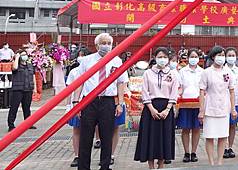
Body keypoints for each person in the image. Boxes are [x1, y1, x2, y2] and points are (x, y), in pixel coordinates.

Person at [73, 33, 128, 170]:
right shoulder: (87, 60)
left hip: (108, 102)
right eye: (103, 43)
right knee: (86, 136)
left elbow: (121, 83)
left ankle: (105, 166)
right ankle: (83, 167)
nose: (106, 46)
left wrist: (119, 103)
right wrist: (76, 103)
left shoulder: (116, 61)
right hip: (89, 101)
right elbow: (79, 82)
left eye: (109, 43)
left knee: (107, 136)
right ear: (97, 45)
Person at [134, 47, 179, 169]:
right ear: (154, 58)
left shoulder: (173, 74)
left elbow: (174, 92)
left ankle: (161, 164)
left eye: (164, 57)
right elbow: (144, 91)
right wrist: (151, 109)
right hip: (150, 108)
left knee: (164, 137)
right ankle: (151, 166)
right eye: (159, 57)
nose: (162, 60)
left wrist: (167, 109)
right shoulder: (148, 73)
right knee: (150, 136)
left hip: (166, 108)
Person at [198, 46, 237, 166]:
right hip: (210, 108)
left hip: (224, 108)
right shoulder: (206, 72)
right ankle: (211, 163)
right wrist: (201, 110)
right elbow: (202, 91)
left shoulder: (228, 72)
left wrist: (233, 109)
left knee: (223, 136)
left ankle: (219, 162)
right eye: (219, 55)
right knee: (210, 136)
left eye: (223, 55)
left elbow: (231, 91)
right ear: (213, 57)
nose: (221, 57)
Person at [177, 48, 204, 163]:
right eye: (191, 57)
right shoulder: (182, 71)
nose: (193, 59)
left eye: (195, 57)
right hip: (185, 103)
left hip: (198, 103)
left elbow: (204, 88)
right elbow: (180, 87)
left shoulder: (202, 72)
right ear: (187, 58)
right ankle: (186, 152)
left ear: (199, 58)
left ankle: (194, 152)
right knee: (185, 128)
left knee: (196, 128)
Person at [7, 50, 37, 132]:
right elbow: (14, 68)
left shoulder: (30, 66)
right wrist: (16, 57)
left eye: (25, 54)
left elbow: (33, 77)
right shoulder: (16, 65)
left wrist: (35, 89)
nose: (24, 56)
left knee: (27, 107)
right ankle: (11, 125)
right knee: (14, 107)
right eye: (22, 55)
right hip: (18, 89)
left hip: (28, 89)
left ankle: (28, 124)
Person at [224, 47, 238, 159]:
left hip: (235, 102)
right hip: (223, 102)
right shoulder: (222, 70)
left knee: (232, 126)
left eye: (233, 55)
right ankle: (224, 147)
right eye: (229, 55)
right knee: (224, 125)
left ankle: (230, 147)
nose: (231, 57)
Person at [66, 57, 83, 168]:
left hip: (91, 104)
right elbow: (69, 89)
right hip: (76, 103)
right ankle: (77, 155)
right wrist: (68, 106)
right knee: (76, 130)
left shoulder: (94, 69)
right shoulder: (74, 72)